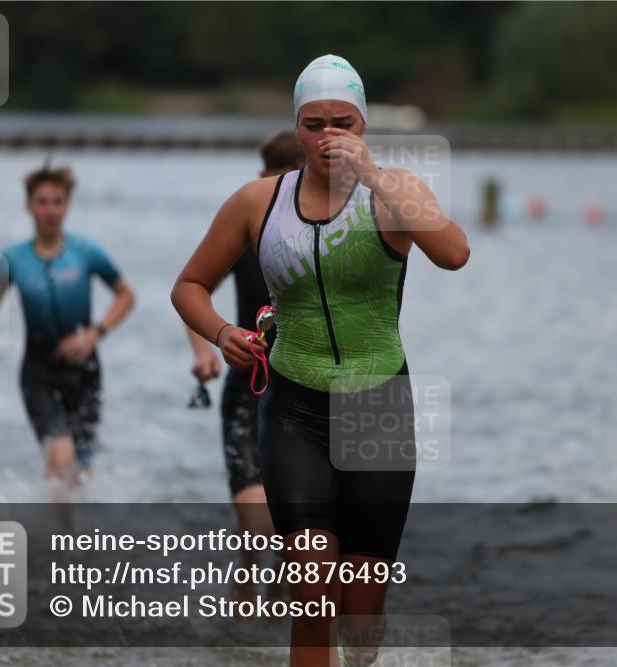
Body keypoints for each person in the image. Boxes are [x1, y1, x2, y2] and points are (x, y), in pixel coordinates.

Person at [172, 54, 469, 667]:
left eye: (343, 122)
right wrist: (222, 331)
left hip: (378, 408)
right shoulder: (257, 202)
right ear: (297, 127)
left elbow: (455, 253)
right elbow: (188, 285)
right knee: (311, 595)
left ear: (363, 126)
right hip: (294, 408)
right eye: (313, 124)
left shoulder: (397, 194)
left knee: (360, 618)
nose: (328, 136)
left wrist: (377, 177)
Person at [0, 165, 135, 498]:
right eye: (42, 202)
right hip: (38, 372)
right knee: (61, 455)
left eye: (58, 202)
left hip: (85, 371)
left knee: (81, 471)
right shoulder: (13, 258)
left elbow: (126, 296)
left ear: (68, 205)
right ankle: (57, 542)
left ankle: (67, 537)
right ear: (29, 206)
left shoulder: (85, 252)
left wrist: (94, 335)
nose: (50, 210)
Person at [185, 129, 305, 603]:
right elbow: (191, 291)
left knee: (296, 534)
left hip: (303, 391)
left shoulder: (326, 241)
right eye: (272, 181)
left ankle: (277, 611)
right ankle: (242, 616)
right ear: (260, 179)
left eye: (291, 183)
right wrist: (205, 348)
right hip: (246, 386)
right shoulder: (246, 227)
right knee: (257, 529)